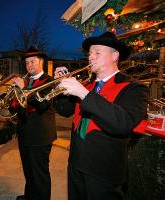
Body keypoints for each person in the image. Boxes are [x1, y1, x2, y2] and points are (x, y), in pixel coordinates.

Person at [53, 32, 149, 200]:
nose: (91, 57)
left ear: (115, 56)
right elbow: (65, 110)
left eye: (97, 52)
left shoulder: (134, 88)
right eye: (90, 53)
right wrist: (59, 87)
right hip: (76, 164)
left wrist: (84, 94)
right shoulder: (86, 85)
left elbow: (123, 123)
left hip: (104, 170)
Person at [12, 47, 57, 200]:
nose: (29, 65)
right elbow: (18, 106)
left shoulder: (49, 81)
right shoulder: (27, 81)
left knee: (40, 173)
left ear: (41, 62)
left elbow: (42, 105)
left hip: (40, 135)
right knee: (28, 170)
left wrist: (24, 88)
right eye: (26, 62)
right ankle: (30, 196)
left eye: (32, 62)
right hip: (24, 132)